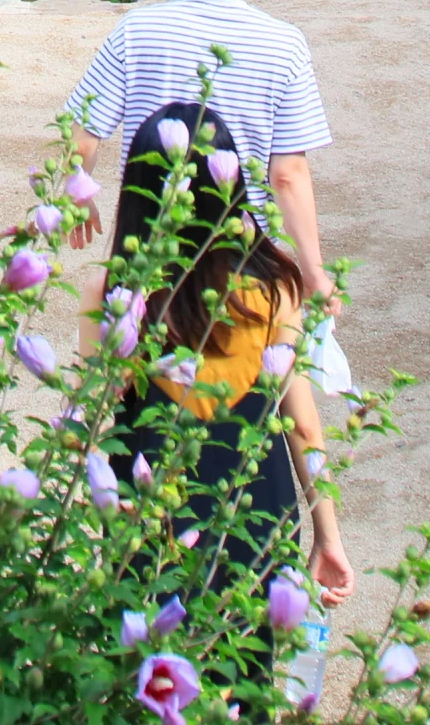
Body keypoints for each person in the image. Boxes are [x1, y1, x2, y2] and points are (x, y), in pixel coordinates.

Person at [79, 102, 351, 643]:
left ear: (139, 193)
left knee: (151, 674)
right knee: (247, 668)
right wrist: (328, 534)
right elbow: (302, 426)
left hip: (152, 514)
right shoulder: (277, 285)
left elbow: (93, 416)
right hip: (257, 505)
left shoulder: (117, 296)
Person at [62, 0, 337, 314]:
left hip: (149, 238)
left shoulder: (137, 30)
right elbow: (287, 173)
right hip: (243, 248)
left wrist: (77, 191)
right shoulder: (285, 45)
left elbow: (83, 133)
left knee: (139, 357)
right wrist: (313, 269)